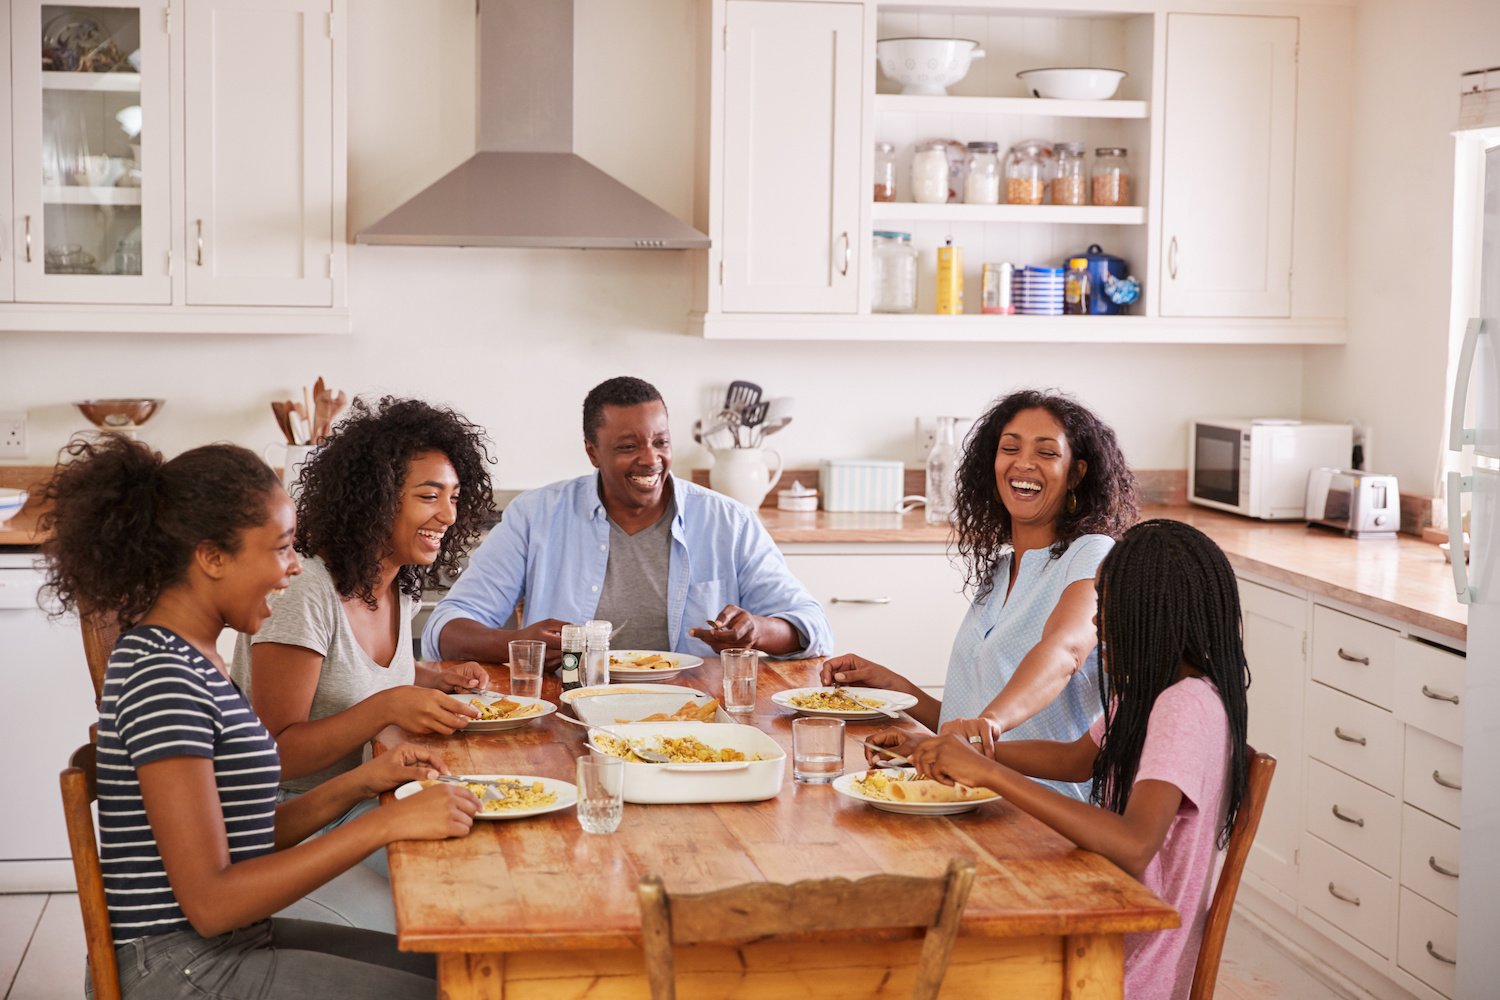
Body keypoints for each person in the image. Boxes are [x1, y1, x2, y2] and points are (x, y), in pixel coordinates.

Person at [38, 436, 479, 1000]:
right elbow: (212, 903)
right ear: (211, 556)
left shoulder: (197, 658)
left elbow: (244, 837)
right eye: (279, 549)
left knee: (459, 971)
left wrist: (364, 782)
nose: (294, 569)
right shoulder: (162, 675)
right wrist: (384, 823)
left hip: (228, 946)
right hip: (181, 969)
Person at [895, 519, 1252, 1000]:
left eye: (1109, 608)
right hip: (1104, 921)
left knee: (933, 966)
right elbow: (1077, 760)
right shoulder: (1152, 690)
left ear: (1153, 613)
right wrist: (968, 752)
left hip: (1124, 967)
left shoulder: (1184, 706)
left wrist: (990, 773)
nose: (1098, 624)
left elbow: (1132, 844)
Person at [821, 388, 1137, 798]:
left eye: (1046, 453)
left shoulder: (1092, 554)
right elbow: (965, 728)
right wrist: (895, 688)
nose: (1023, 463)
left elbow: (1066, 651)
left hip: (1042, 812)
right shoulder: (1001, 572)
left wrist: (989, 723)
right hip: (971, 796)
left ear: (1076, 473)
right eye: (1010, 448)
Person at [423, 376, 831, 663]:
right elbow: (444, 631)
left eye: (661, 442)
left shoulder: (729, 521)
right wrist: (517, 643)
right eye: (628, 446)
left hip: (698, 715)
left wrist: (757, 631)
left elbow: (812, 627)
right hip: (570, 711)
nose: (650, 459)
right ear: (592, 452)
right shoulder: (535, 516)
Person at [232, 397, 498, 798]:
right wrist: (388, 707)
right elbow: (276, 756)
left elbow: (348, 674)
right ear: (376, 499)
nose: (449, 515)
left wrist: (435, 678)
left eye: (454, 498)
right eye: (430, 496)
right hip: (294, 815)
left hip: (371, 794)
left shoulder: (397, 578)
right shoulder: (304, 589)